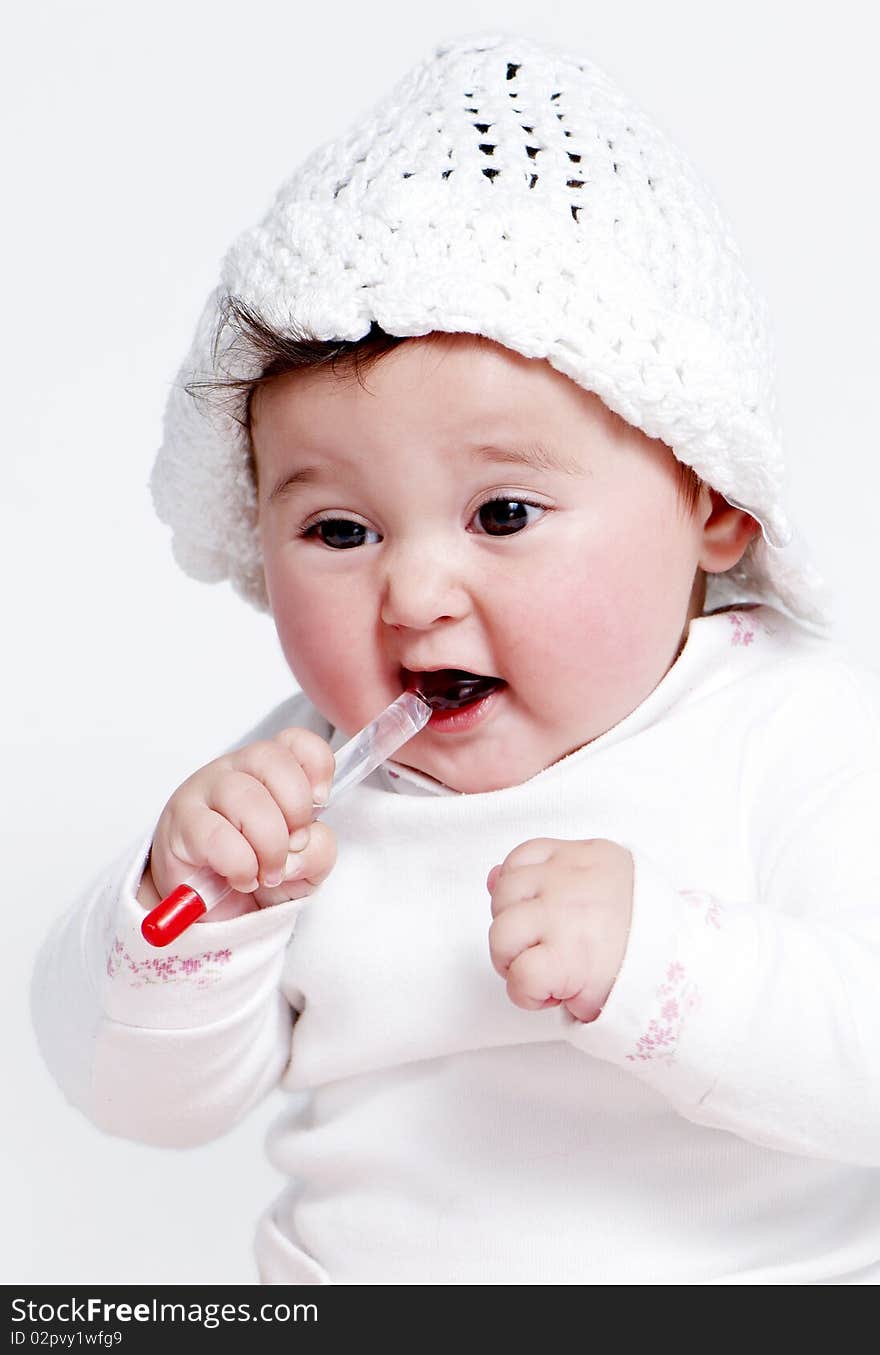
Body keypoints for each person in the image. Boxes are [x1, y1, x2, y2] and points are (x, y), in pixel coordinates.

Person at [31, 30, 880, 1285]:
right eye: (338, 529)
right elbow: (129, 1095)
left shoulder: (794, 730)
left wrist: (665, 963)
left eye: (502, 514)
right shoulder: (303, 792)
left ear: (713, 505)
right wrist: (188, 913)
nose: (415, 594)